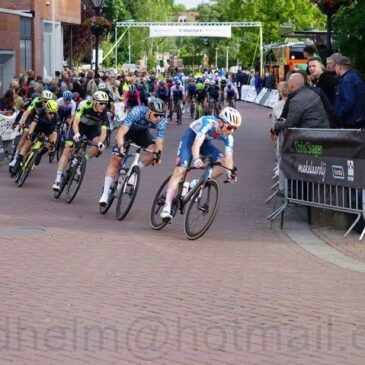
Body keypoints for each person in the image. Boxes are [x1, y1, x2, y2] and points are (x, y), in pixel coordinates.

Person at [160, 107, 242, 220]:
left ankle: (196, 183)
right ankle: (166, 206)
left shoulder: (229, 137)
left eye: (234, 129)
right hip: (191, 138)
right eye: (229, 127)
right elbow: (196, 144)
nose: (231, 131)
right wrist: (196, 159)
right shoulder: (209, 123)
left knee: (222, 164)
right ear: (221, 122)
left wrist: (230, 173)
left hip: (205, 142)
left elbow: (229, 158)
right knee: (181, 170)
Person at [98, 98, 168, 206]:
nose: (158, 118)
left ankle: (134, 172)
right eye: (156, 115)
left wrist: (158, 156)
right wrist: (121, 146)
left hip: (141, 134)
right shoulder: (137, 111)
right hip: (127, 132)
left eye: (161, 115)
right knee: (117, 159)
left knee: (154, 153)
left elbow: (159, 142)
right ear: (149, 111)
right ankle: (105, 193)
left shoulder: (162, 121)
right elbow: (121, 132)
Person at [52, 90, 109, 191]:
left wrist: (100, 143)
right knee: (68, 149)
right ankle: (57, 179)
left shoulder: (104, 113)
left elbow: (104, 132)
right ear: (94, 101)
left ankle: (83, 160)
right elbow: (76, 121)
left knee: (99, 146)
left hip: (91, 129)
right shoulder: (84, 104)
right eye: (101, 103)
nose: (103, 106)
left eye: (105, 103)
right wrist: (77, 133)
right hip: (78, 127)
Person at [12, 100, 59, 174]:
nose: (52, 115)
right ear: (46, 110)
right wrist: (30, 134)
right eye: (50, 112)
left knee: (51, 143)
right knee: (27, 143)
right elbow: (33, 123)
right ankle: (17, 164)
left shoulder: (56, 117)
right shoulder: (40, 111)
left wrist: (53, 143)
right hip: (38, 126)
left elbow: (55, 132)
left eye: (54, 113)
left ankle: (39, 155)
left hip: (48, 129)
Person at [334, 55, 365, 128]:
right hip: (358, 119)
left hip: (351, 121)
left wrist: (337, 115)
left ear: (339, 67)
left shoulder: (347, 80)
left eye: (335, 66)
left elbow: (348, 102)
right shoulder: (355, 76)